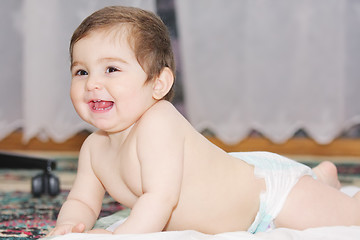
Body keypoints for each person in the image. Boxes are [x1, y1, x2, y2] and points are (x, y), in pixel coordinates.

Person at [48, 5, 360, 236]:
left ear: (158, 84)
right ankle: (323, 179)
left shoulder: (158, 121)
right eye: (82, 72)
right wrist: (68, 226)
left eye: (111, 70)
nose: (92, 84)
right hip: (240, 183)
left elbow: (160, 199)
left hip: (270, 197)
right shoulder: (93, 148)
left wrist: (120, 235)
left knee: (350, 216)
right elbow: (83, 201)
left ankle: (316, 185)